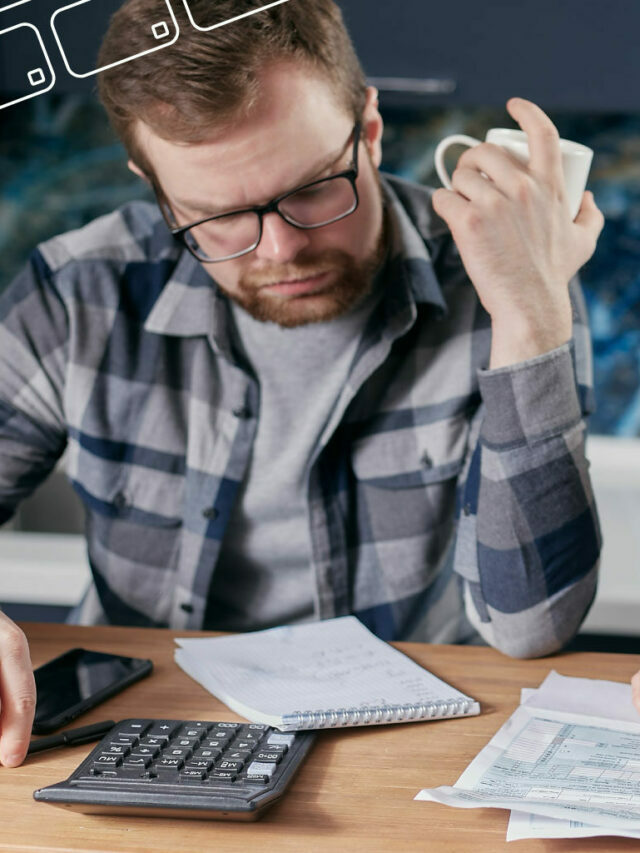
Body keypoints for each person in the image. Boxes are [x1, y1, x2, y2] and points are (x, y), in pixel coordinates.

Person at [0, 0, 604, 767]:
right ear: (152, 186)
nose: (282, 248)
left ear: (371, 130)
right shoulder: (76, 292)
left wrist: (529, 319)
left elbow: (535, 625)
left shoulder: (513, 280)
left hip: (410, 749)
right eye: (216, 218)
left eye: (315, 188)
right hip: (141, 732)